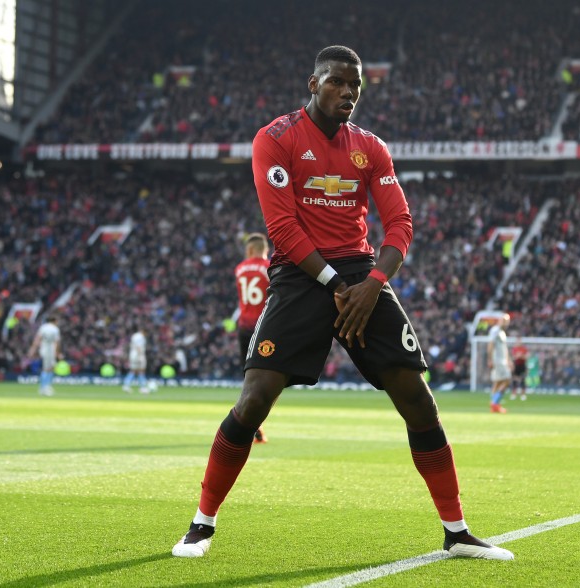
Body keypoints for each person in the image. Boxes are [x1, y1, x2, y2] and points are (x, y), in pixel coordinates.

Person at [172, 45, 513, 561]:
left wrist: (373, 283)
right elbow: (281, 228)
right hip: (299, 274)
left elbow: (400, 224)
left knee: (417, 399)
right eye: (337, 82)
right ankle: (201, 524)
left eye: (356, 85)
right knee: (254, 399)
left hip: (360, 274)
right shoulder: (276, 138)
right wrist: (336, 285)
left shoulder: (371, 147)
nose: (348, 92)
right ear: (313, 84)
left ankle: (457, 531)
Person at [235, 232, 272, 444]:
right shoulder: (270, 267)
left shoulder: (239, 269)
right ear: (263, 250)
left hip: (244, 328)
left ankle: (252, 426)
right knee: (269, 379)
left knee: (248, 380)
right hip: (265, 327)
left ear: (249, 251)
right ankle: (255, 427)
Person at [27, 316, 61, 397]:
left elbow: (37, 339)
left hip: (43, 349)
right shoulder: (55, 329)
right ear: (54, 320)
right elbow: (57, 342)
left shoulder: (43, 327)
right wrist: (57, 353)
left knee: (50, 367)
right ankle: (44, 387)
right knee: (48, 368)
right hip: (50, 349)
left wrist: (33, 349)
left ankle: (46, 386)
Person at [488, 313, 512, 413]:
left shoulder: (502, 333)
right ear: (500, 320)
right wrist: (489, 359)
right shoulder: (495, 330)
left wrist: (509, 360)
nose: (505, 322)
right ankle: (494, 403)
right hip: (498, 361)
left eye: (507, 321)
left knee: (498, 382)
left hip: (503, 361)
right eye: (504, 320)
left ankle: (494, 405)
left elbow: (504, 349)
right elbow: (490, 344)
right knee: (507, 380)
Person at [123, 326, 149, 394]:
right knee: (141, 371)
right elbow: (139, 346)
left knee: (133, 370)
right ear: (144, 332)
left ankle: (126, 385)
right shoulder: (140, 337)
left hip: (132, 354)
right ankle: (143, 387)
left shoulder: (135, 335)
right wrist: (140, 356)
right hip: (138, 355)